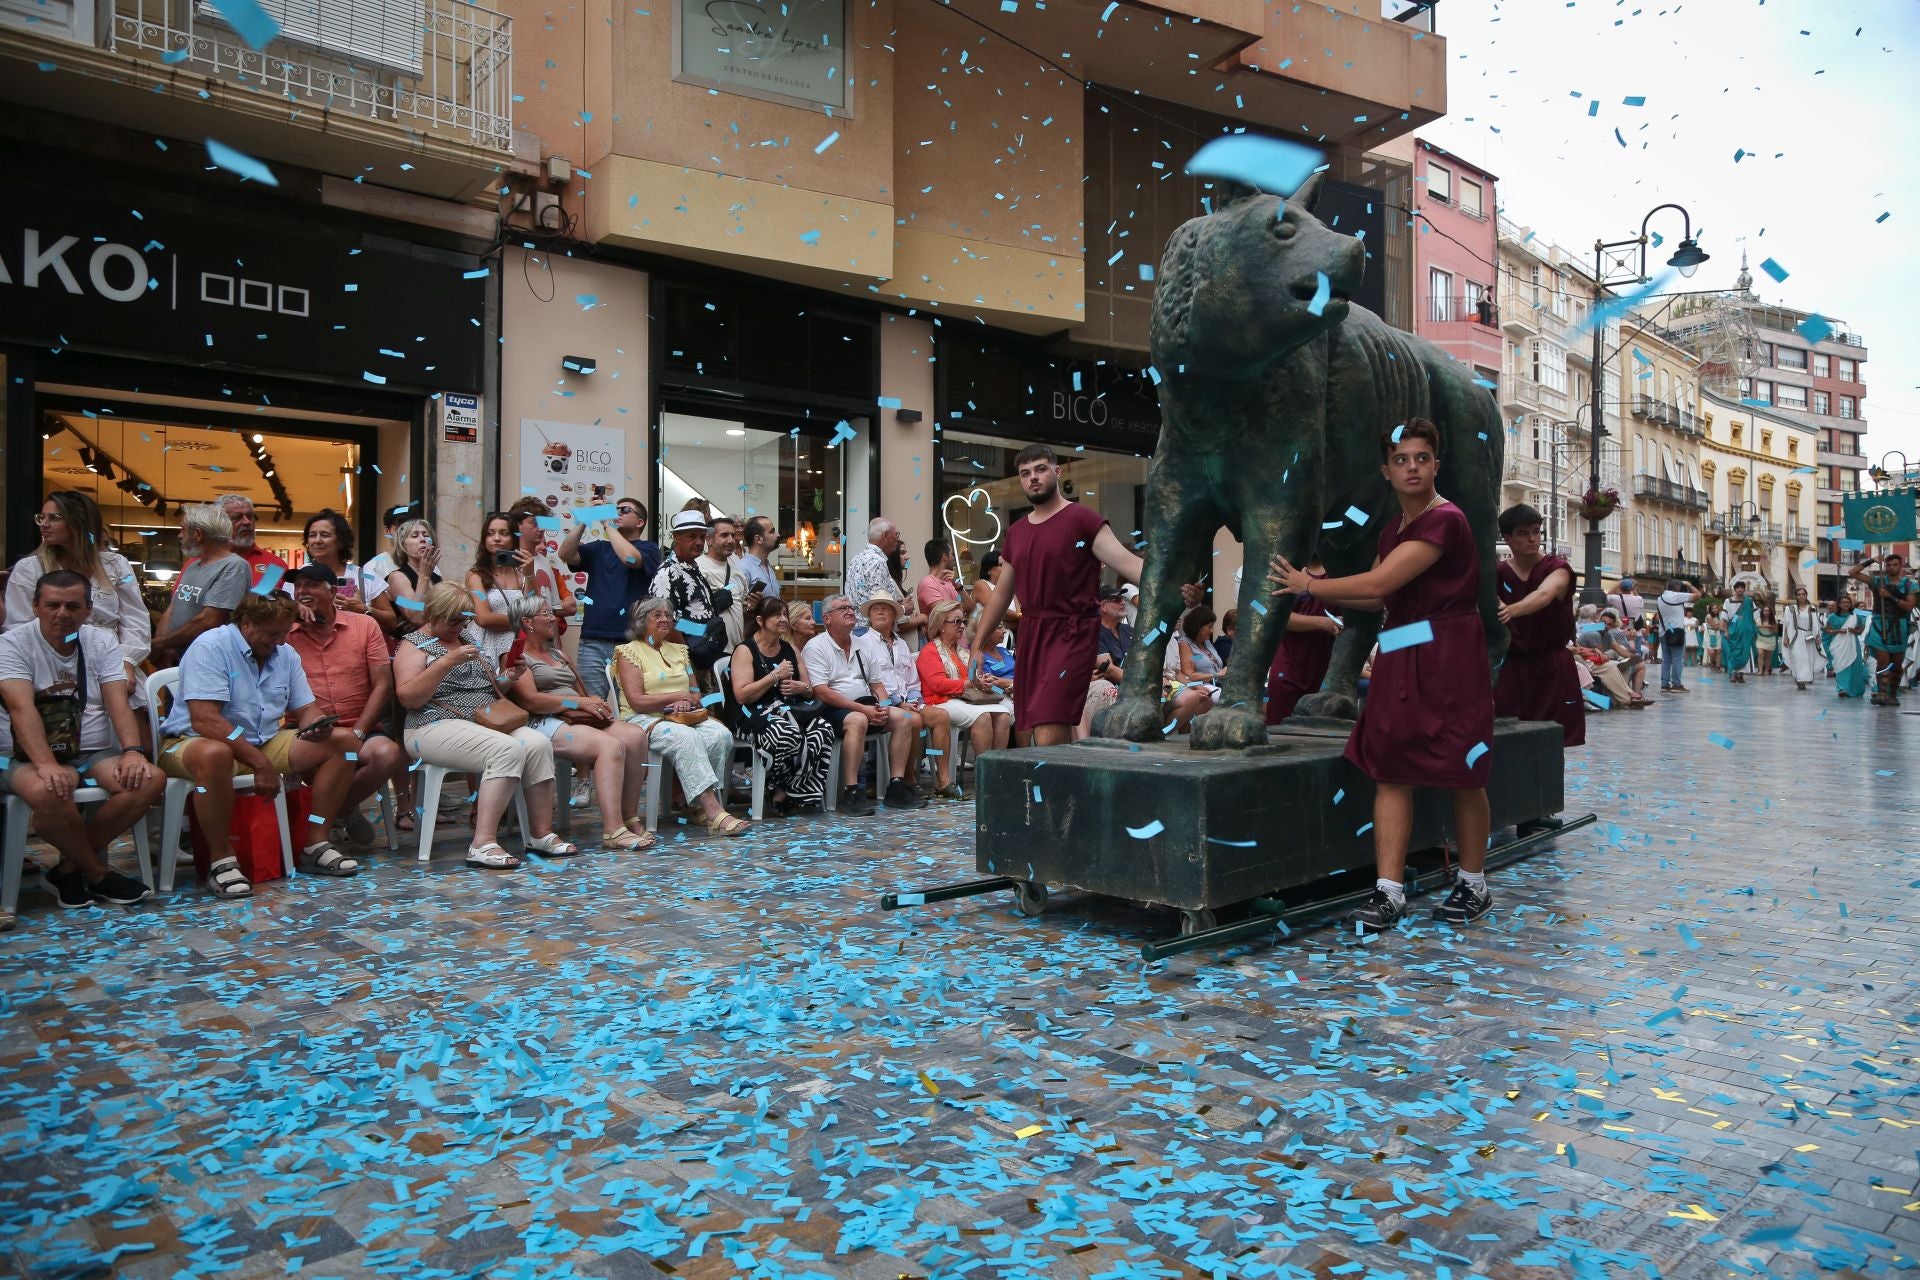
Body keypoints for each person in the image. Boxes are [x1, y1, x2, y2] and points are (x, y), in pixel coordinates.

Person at [1268, 420, 1493, 933]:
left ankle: (1474, 884)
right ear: (1386, 471)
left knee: (1462, 769)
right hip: (1405, 643)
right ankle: (1389, 892)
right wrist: (1366, 640)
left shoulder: (1447, 520)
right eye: (1401, 459)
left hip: (1451, 650)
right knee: (1389, 767)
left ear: (1436, 465)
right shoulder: (1393, 530)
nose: (1411, 467)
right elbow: (1376, 599)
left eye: (1420, 458)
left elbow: (1382, 580)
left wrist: (1309, 584)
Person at [159, 593, 365, 894]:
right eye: (272, 633)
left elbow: (306, 708)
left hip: (261, 741)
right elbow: (206, 720)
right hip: (194, 742)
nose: (280, 641)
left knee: (344, 742)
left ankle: (315, 840)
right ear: (246, 623)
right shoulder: (211, 646)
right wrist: (259, 762)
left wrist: (317, 725)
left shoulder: (285, 653)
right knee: (215, 753)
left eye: (284, 633)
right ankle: (222, 860)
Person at [969, 444, 1172, 747]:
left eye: (1040, 469)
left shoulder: (1082, 520)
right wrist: (976, 646)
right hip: (1033, 635)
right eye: (1025, 473)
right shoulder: (1017, 532)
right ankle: (1057, 791)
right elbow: (1000, 596)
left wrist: (1176, 581)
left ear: (1057, 471)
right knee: (1040, 726)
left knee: (1050, 725)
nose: (1033, 478)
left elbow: (1132, 565)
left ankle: (1052, 793)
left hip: (1071, 634)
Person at [0, 570, 162, 909]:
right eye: (53, 605)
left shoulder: (100, 641)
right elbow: (20, 707)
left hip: (91, 750)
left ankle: (69, 868)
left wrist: (133, 751)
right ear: (35, 606)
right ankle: (98, 873)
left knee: (149, 780)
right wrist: (45, 764)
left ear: (88, 609)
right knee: (50, 789)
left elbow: (118, 702)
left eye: (73, 606)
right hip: (21, 754)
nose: (62, 613)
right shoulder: (12, 644)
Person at [395, 583, 580, 868]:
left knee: (538, 743)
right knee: (506, 749)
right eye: (453, 619)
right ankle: (482, 843)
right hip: (431, 724)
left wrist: (509, 676)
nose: (460, 625)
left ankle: (540, 833)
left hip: (482, 718)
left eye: (464, 618)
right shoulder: (412, 644)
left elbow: (491, 685)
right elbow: (409, 698)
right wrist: (445, 663)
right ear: (432, 613)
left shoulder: (466, 636)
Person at [506, 596, 658, 851]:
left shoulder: (557, 653)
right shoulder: (518, 657)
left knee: (635, 735)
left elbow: (580, 691)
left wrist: (592, 702)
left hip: (576, 716)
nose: (553, 618)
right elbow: (530, 701)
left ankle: (629, 816)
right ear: (527, 622)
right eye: (546, 613)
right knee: (610, 746)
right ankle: (613, 830)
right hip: (544, 721)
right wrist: (576, 704)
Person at [285, 564, 406, 849]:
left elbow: (382, 686)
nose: (302, 591)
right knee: (318, 763)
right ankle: (344, 813)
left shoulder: (364, 625)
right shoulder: (284, 632)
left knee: (388, 754)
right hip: (306, 728)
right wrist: (284, 616)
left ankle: (333, 812)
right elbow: (251, 612)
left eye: (311, 585)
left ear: (332, 591)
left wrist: (360, 732)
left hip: (357, 725)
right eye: (298, 586)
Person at [613, 596, 752, 835]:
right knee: (686, 738)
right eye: (657, 615)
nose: (665, 619)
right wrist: (675, 697)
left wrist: (687, 702)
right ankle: (713, 811)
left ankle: (697, 802)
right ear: (641, 620)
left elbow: (695, 692)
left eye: (667, 614)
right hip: (644, 719)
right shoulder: (628, 652)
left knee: (720, 735)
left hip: (683, 716)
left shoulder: (679, 651)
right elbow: (637, 701)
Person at [5, 492, 152, 703]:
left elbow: (135, 619)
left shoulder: (116, 564)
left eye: (54, 518)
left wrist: (127, 661)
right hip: (49, 662)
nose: (44, 524)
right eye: (42, 517)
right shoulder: (29, 568)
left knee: (132, 723)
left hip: (113, 660)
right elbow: (18, 625)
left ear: (79, 523)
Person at [801, 593, 925, 814]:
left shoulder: (863, 645)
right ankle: (852, 791)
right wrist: (864, 710)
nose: (850, 611)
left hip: (867, 706)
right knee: (857, 720)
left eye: (851, 607)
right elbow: (821, 691)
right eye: (842, 609)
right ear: (827, 618)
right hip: (832, 710)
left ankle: (896, 786)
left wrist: (885, 706)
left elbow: (877, 686)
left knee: (906, 718)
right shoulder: (816, 646)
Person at [726, 596, 836, 813]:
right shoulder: (745, 650)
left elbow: (809, 687)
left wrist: (799, 688)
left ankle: (789, 790)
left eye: (785, 614)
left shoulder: (789, 649)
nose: (783, 619)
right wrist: (774, 676)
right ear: (760, 620)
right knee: (785, 733)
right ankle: (776, 787)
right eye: (777, 615)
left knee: (823, 729)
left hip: (789, 709)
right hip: (752, 712)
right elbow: (742, 695)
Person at [1492, 504, 1584, 746]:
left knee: (1552, 741)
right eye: (1523, 533)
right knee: (1505, 734)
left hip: (1551, 666)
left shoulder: (1558, 569)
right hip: (1511, 667)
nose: (1533, 539)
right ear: (1508, 538)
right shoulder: (1497, 573)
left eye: (1537, 532)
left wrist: (1510, 610)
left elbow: (1545, 595)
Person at [561, 496, 662, 698]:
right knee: (592, 705)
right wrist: (586, 518)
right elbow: (565, 554)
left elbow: (630, 558)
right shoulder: (599, 548)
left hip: (631, 642)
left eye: (624, 510)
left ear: (640, 522)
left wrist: (607, 523)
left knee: (628, 707)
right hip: (594, 640)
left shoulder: (649, 549)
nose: (617, 513)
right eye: (615, 509)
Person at [863, 592, 957, 799]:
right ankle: (908, 779)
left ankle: (943, 779)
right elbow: (868, 686)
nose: (880, 611)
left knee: (941, 716)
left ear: (894, 615)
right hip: (885, 704)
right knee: (912, 719)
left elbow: (912, 680)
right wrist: (898, 704)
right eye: (875, 608)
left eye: (885, 608)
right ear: (869, 616)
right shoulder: (863, 643)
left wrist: (913, 700)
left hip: (909, 702)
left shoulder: (902, 644)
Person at [151, 504, 250, 667]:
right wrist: (164, 648)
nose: (179, 535)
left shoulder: (235, 566)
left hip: (208, 664)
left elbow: (209, 620)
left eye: (183, 529)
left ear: (197, 534)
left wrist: (159, 644)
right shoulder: (192, 565)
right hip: (176, 660)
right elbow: (172, 609)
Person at [920, 598, 1012, 763]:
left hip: (967, 698)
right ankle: (984, 771)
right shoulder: (930, 651)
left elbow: (974, 677)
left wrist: (984, 680)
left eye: (963, 621)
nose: (962, 625)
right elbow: (938, 685)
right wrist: (973, 683)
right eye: (957, 621)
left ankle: (997, 768)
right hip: (940, 701)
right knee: (983, 716)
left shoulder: (963, 651)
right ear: (941, 625)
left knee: (1004, 715)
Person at [650, 510, 729, 672]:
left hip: (702, 659)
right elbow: (666, 623)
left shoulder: (692, 568)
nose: (699, 542)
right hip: (682, 664)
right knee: (692, 698)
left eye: (701, 536)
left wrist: (704, 633)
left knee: (708, 698)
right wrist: (697, 637)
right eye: (692, 537)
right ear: (676, 537)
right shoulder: (668, 572)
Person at [1265, 563, 1342, 724]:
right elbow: (1276, 616)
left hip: (1324, 665)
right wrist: (1323, 622)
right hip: (1289, 665)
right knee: (1279, 724)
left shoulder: (1340, 574)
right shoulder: (1290, 571)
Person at [1853, 554, 1918, 706]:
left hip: (1899, 626)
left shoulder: (1910, 585)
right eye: (1888, 565)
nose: (1892, 568)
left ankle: (1892, 694)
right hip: (1878, 624)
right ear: (1885, 567)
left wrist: (1889, 596)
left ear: (1900, 565)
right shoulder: (1877, 581)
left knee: (1896, 663)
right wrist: (1871, 561)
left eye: (1895, 565)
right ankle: (1882, 693)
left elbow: (1909, 606)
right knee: (1882, 661)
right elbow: (1853, 573)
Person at [465, 512, 531, 664]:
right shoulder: (477, 574)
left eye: (504, 533)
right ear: (484, 539)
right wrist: (523, 622)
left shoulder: (521, 573)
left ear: (513, 538)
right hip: (486, 643)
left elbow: (535, 608)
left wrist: (530, 575)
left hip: (517, 643)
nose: (496, 538)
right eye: (490, 533)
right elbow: (483, 618)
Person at [505, 497, 577, 620]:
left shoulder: (544, 562)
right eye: (535, 523)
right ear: (518, 525)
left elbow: (551, 610)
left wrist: (554, 639)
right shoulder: (508, 561)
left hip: (543, 636)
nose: (542, 529)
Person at [1079, 585, 1130, 738]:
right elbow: (1107, 669)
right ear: (1102, 606)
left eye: (1123, 599)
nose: (1122, 602)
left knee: (1191, 696)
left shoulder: (1129, 630)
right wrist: (1140, 683)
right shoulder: (1092, 630)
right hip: (1106, 685)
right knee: (1107, 689)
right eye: (1116, 599)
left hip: (1129, 684)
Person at [697, 514, 750, 649]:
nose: (731, 540)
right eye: (724, 535)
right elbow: (682, 622)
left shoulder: (737, 572)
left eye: (732, 535)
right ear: (709, 539)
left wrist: (751, 606)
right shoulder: (697, 568)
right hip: (709, 652)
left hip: (736, 652)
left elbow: (742, 609)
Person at [360, 504, 412, 639]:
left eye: (411, 529)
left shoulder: (430, 566)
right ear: (387, 531)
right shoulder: (373, 567)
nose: (406, 534)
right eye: (400, 529)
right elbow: (364, 608)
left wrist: (419, 618)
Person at [218, 495, 290, 591]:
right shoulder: (200, 561)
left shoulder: (274, 565)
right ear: (220, 524)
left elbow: (270, 602)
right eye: (237, 517)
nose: (247, 522)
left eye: (250, 516)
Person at [385, 518, 443, 633]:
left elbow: (453, 609)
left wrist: (427, 619)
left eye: (426, 535)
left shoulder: (437, 576)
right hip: (411, 645)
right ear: (403, 545)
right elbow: (416, 616)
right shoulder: (396, 577)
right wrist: (424, 577)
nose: (422, 539)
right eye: (414, 536)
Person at [1653, 578, 1702, 693]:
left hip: (1664, 631)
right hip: (1676, 631)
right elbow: (1698, 595)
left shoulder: (1660, 598)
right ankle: (1676, 684)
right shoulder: (1677, 596)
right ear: (1677, 588)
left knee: (1666, 660)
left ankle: (1664, 685)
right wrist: (1689, 584)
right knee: (1677, 659)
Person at [1780, 586, 1820, 690]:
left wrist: (1817, 636)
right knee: (1798, 658)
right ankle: (1799, 679)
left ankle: (1806, 677)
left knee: (1808, 658)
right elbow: (1786, 624)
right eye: (1799, 594)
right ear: (1796, 596)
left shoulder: (1812, 608)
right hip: (1795, 636)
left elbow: (1816, 623)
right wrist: (1785, 637)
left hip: (1809, 635)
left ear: (1806, 595)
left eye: (1803, 594)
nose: (1801, 596)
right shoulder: (1790, 608)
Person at [1827, 600, 1869, 699]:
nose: (1845, 604)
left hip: (1852, 644)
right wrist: (1838, 631)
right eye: (1843, 602)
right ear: (1839, 604)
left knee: (1854, 666)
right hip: (1838, 644)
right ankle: (1842, 688)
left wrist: (1853, 630)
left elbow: (1860, 631)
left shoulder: (1856, 617)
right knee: (1840, 665)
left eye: (1847, 602)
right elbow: (1827, 630)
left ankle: (1854, 690)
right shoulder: (1832, 617)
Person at [969, 550, 1019, 633]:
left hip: (1011, 638)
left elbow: (1019, 612)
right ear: (990, 569)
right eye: (1001, 565)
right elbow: (996, 611)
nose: (1006, 569)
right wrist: (1022, 618)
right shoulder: (981, 584)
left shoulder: (1010, 587)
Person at [737, 515, 781, 605]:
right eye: (772, 532)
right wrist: (750, 608)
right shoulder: (742, 568)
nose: (778, 535)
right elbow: (737, 607)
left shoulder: (768, 567)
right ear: (758, 539)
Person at [1720, 583, 1757, 682]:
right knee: (1732, 652)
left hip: (1746, 632)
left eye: (1742, 588)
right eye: (1738, 588)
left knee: (1745, 651)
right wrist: (1726, 630)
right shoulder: (1728, 601)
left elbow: (1756, 615)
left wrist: (1754, 628)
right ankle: (1733, 673)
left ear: (1744, 589)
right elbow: (1725, 617)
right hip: (1733, 631)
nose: (1740, 589)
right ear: (1735, 589)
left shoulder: (1749, 601)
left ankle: (1741, 674)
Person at [917, 539, 962, 619]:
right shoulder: (927, 583)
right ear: (945, 557)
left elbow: (971, 608)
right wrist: (962, 609)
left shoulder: (950, 582)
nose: (953, 558)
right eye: (952, 554)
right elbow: (944, 615)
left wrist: (958, 586)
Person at [1755, 604, 1780, 677]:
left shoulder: (1773, 620)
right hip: (1760, 639)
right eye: (1764, 610)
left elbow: (1776, 631)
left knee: (1768, 656)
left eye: (1768, 611)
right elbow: (1755, 627)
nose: (1766, 612)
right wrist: (1764, 626)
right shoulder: (1758, 620)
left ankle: (1766, 670)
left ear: (1770, 612)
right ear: (1762, 612)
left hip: (1770, 639)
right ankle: (1760, 670)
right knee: (1760, 653)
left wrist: (1771, 627)